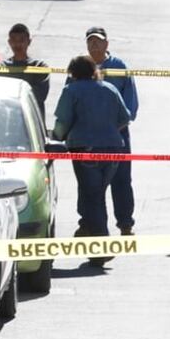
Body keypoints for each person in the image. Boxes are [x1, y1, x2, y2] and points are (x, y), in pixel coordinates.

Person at [52, 55, 130, 267]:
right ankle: (87, 230)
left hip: (86, 151)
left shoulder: (72, 91)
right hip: (113, 150)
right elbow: (124, 118)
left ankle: (100, 246)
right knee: (96, 195)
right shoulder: (110, 89)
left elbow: (63, 121)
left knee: (93, 197)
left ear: (73, 73)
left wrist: (53, 141)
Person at [84, 26, 138, 236]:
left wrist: (116, 126)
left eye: (98, 41)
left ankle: (125, 223)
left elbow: (130, 105)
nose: (94, 45)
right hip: (89, 136)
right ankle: (89, 224)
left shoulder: (118, 66)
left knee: (121, 180)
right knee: (90, 184)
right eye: (90, 41)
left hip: (117, 135)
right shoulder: (81, 66)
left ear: (107, 43)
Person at [0, 23, 50, 120]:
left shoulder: (40, 67)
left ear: (29, 42)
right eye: (14, 40)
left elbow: (39, 95)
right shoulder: (0, 67)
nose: (17, 44)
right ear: (9, 42)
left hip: (32, 123)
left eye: (21, 40)